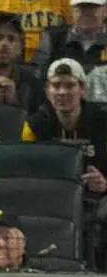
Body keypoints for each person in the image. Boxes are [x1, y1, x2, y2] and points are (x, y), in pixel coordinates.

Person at [22, 59, 107, 196]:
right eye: (56, 86)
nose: (62, 92)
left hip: (98, 196)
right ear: (47, 91)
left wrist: (104, 184)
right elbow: (27, 173)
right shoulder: (34, 125)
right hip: (49, 195)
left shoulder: (102, 122)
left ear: (82, 89)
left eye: (70, 85)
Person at [33, 0, 107, 71]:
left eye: (93, 7)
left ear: (105, 10)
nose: (87, 12)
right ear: (71, 10)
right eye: (81, 7)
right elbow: (38, 77)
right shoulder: (51, 39)